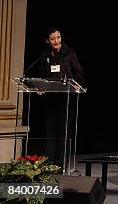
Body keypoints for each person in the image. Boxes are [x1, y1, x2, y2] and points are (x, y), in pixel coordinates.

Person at [28, 27, 85, 167]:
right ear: (47, 40)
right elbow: (41, 74)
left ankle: (63, 164)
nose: (56, 41)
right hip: (50, 99)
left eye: (58, 37)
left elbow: (79, 72)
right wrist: (40, 86)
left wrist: (77, 85)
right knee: (50, 131)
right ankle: (51, 163)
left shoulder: (69, 52)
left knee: (64, 131)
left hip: (66, 98)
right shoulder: (44, 56)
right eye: (53, 38)